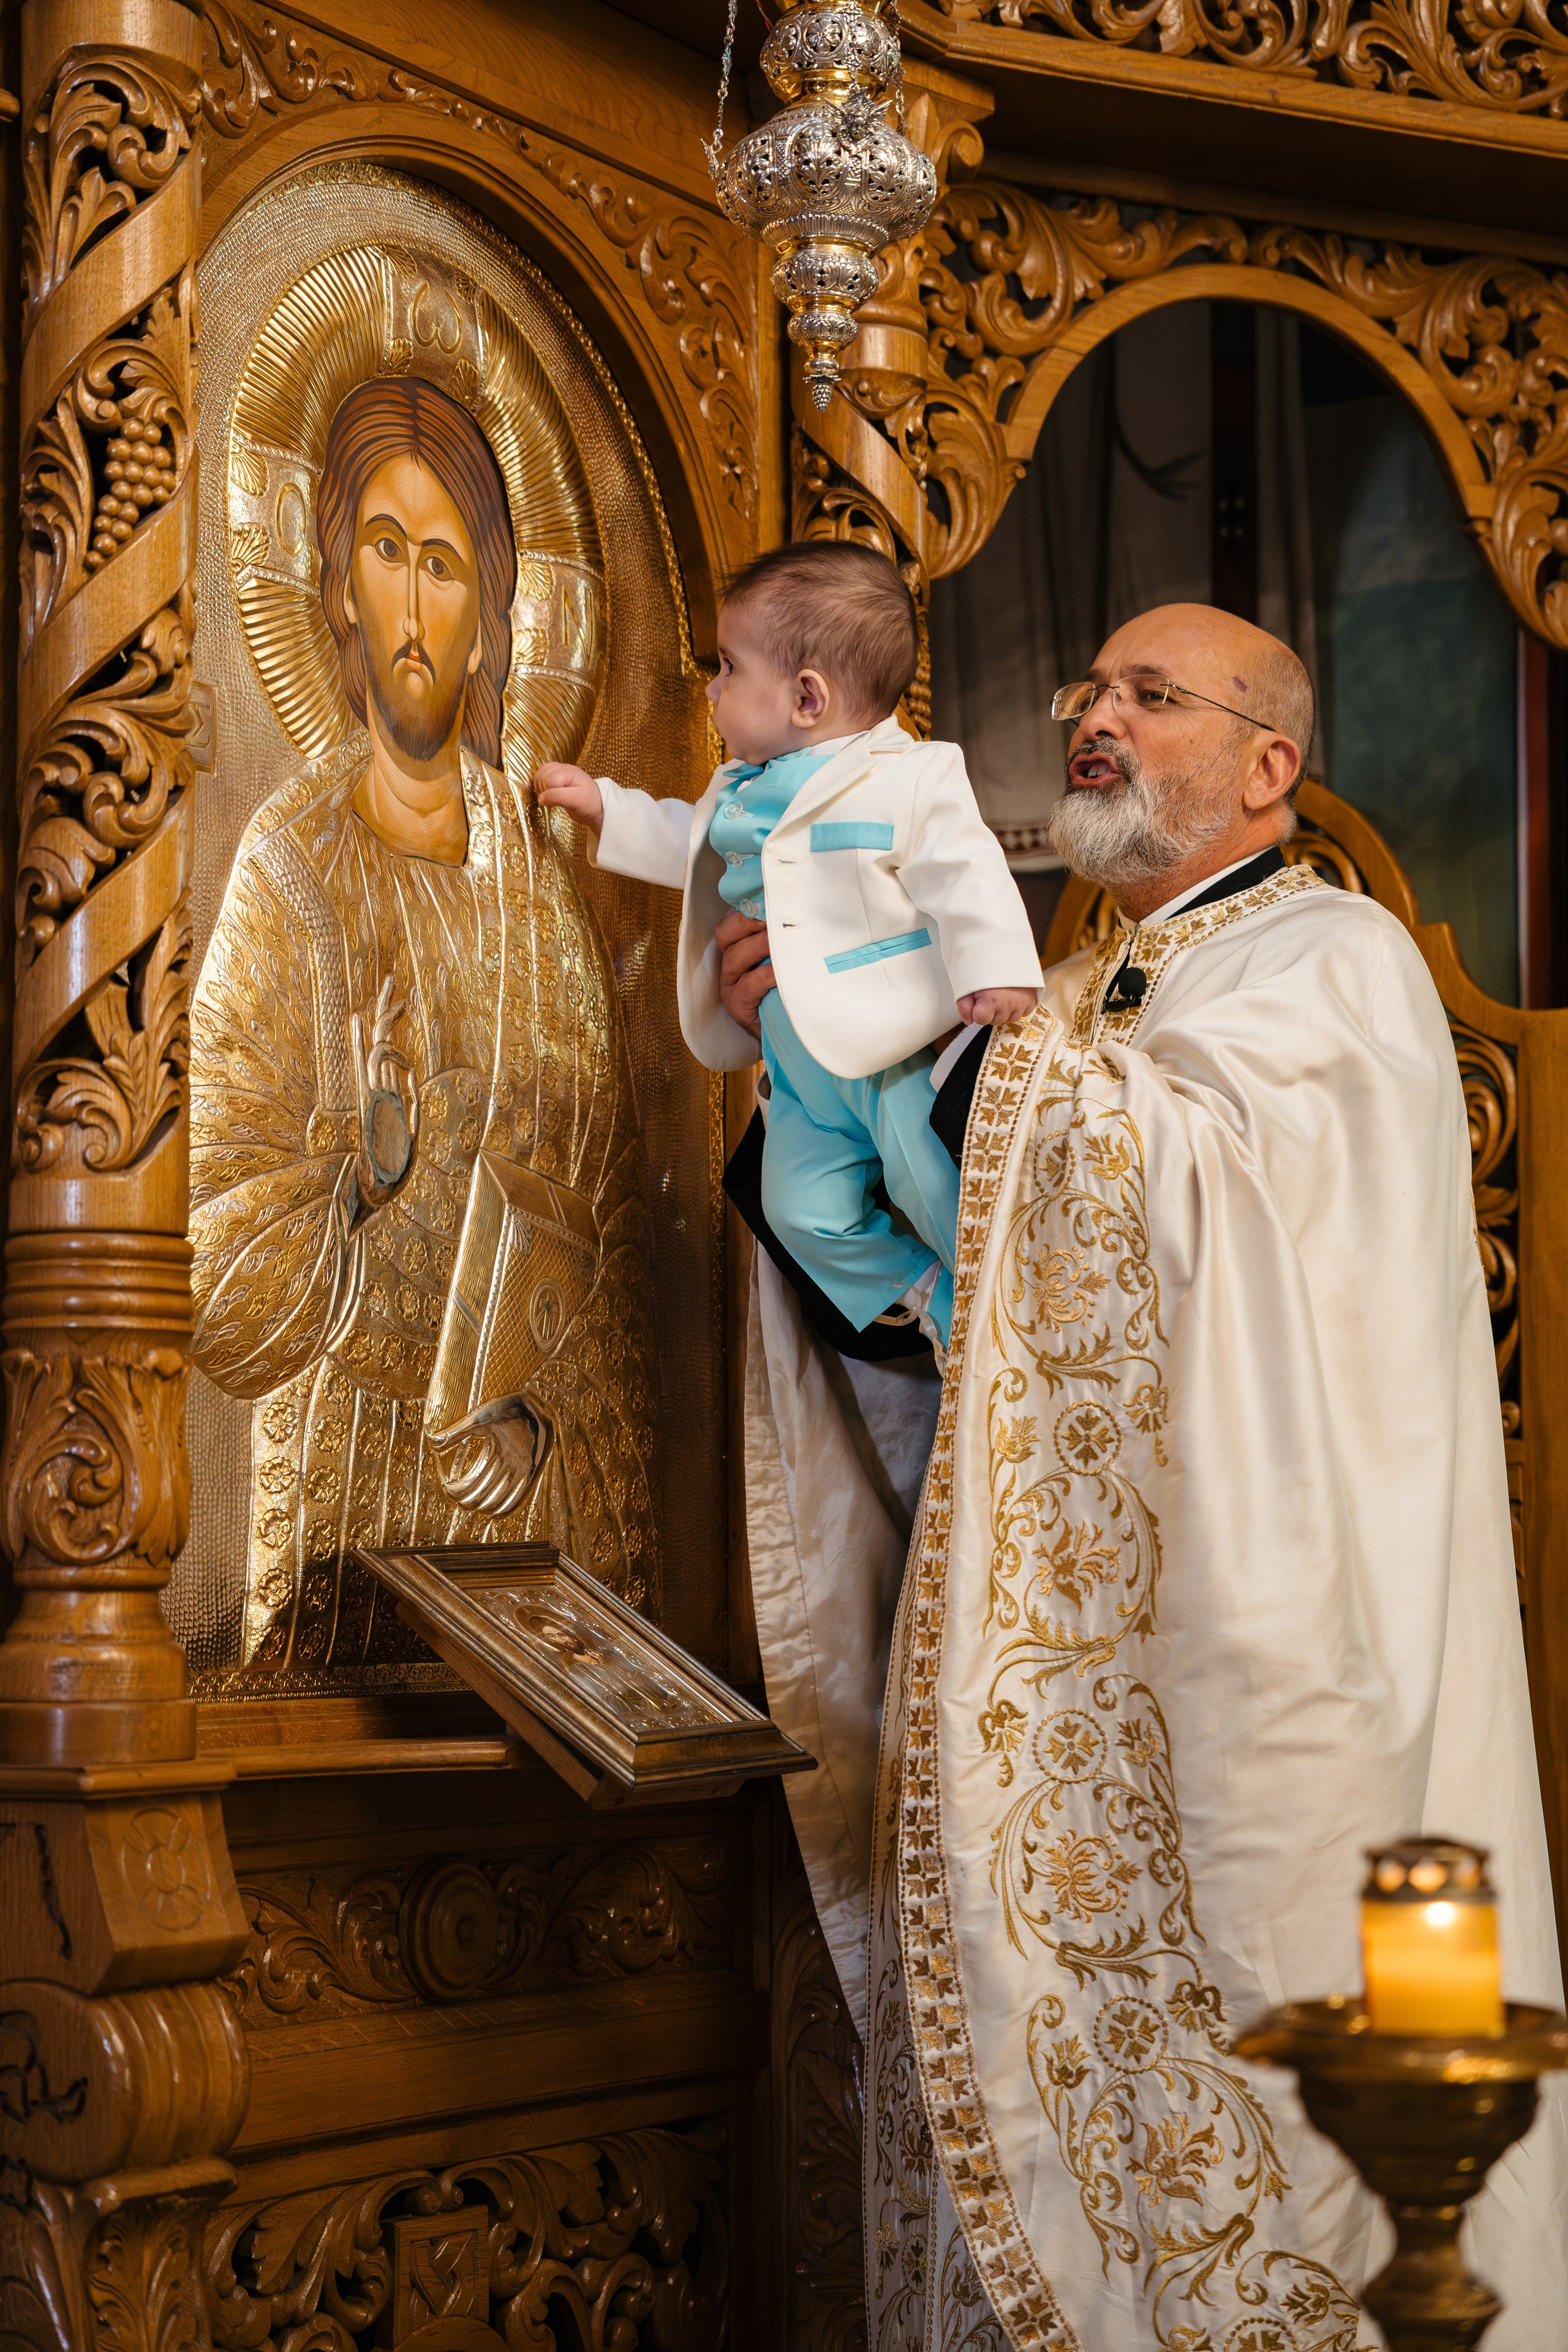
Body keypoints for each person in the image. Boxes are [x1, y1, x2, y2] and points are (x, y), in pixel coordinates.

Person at [725, 601, 1567, 2349]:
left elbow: (1170, 1217)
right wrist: (818, 1046)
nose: (1095, 717)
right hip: (1054, 1671)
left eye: (1150, 696)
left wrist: (928, 1034)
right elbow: (960, 1320)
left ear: (1272, 766)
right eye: (1087, 690)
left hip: (1266, 1673)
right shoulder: (1059, 978)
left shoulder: (1337, 964)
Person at [189, 377, 660, 1675]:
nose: (409, 605)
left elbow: (604, 1215)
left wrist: (529, 1404)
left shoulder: (534, 882)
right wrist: (362, 1186)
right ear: (333, 582)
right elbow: (216, 1255)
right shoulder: (290, 869)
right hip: (353, 1487)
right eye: (383, 552)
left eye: (443, 567)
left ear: (488, 617)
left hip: (529, 1495)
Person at [533, 540, 1042, 1355]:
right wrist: (609, 809)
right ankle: (937, 1304)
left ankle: (1015, 1313)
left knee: (932, 1182)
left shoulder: (910, 776)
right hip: (795, 1063)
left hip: (883, 1049)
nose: (712, 688)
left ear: (808, 696)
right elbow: (691, 845)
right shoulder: (737, 785)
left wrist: (997, 972)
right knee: (797, 1207)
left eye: (729, 669)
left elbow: (965, 870)